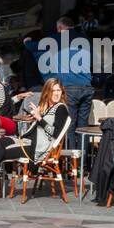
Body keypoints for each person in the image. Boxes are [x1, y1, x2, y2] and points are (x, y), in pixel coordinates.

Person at [0, 77, 70, 202]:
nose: (56, 93)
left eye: (58, 90)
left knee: (0, 149)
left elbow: (55, 134)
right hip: (28, 142)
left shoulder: (61, 108)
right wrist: (36, 118)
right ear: (47, 92)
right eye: (53, 91)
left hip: (35, 149)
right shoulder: (50, 108)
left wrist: (39, 119)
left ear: (62, 92)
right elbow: (42, 126)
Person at [47, 16, 93, 144]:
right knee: (84, 126)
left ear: (61, 28)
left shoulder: (58, 38)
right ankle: (84, 158)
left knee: (70, 124)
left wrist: (27, 42)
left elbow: (35, 46)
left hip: (70, 87)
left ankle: (73, 159)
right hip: (86, 86)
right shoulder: (84, 39)